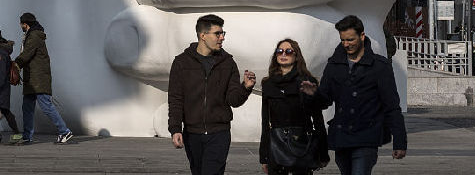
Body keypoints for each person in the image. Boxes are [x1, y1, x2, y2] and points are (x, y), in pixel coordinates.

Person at [300, 15, 406, 175]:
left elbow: (391, 106)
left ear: (362, 36)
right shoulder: (334, 64)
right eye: (343, 40)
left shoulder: (379, 66)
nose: (346, 44)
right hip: (342, 137)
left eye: (350, 39)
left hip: (367, 137)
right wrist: (313, 94)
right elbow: (325, 100)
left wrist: (400, 142)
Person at [168, 14, 256, 175]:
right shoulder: (181, 62)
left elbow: (233, 100)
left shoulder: (228, 62)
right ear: (203, 35)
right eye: (217, 33)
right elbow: (175, 99)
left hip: (219, 133)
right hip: (192, 134)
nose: (222, 37)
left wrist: (245, 87)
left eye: (223, 33)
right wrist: (175, 129)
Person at [259, 39, 328, 175]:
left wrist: (323, 152)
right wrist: (264, 156)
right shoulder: (268, 83)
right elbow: (265, 121)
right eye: (279, 51)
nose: (283, 54)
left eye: (289, 51)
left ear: (296, 56)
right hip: (276, 145)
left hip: (302, 144)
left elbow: (318, 119)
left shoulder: (307, 81)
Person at [14, 12, 73, 144]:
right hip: (32, 79)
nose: (20, 26)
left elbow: (27, 53)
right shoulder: (30, 35)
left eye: (21, 23)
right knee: (27, 108)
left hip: (38, 79)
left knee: (46, 106)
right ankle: (27, 136)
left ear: (25, 24)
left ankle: (65, 131)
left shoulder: (34, 36)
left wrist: (16, 64)